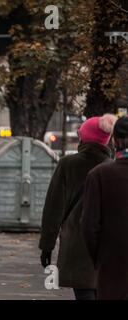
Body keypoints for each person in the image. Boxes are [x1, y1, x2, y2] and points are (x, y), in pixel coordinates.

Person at [39, 114, 117, 300]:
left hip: (77, 244)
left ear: (84, 138)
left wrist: (47, 246)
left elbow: (53, 208)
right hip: (108, 245)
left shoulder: (68, 164)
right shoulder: (113, 168)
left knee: (83, 291)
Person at [82, 116, 128, 300]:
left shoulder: (99, 175)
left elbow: (89, 226)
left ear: (114, 141)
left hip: (112, 264)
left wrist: (99, 257)